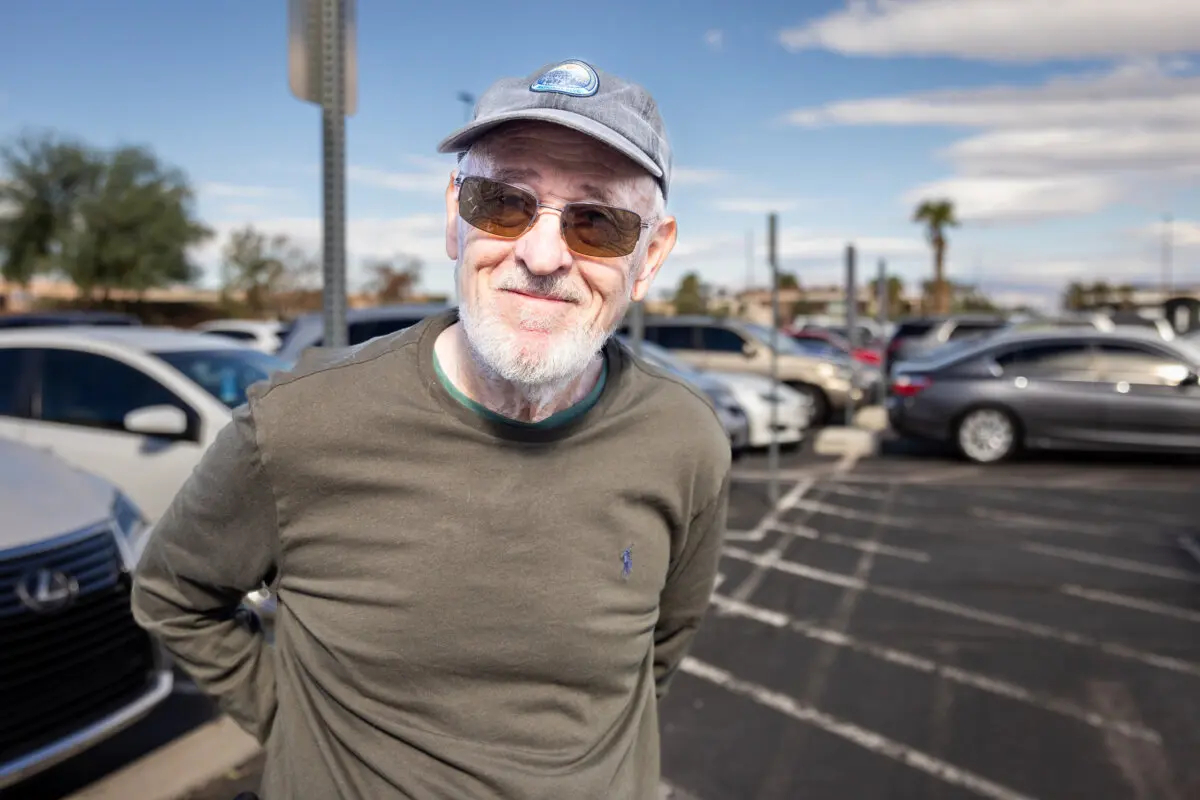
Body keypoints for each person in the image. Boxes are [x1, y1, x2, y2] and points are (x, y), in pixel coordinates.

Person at [132, 59, 731, 799]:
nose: (542, 256)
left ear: (652, 256)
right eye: (502, 201)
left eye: (597, 221)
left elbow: (658, 652)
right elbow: (171, 593)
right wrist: (299, 728)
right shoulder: (300, 424)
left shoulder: (686, 439)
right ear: (455, 214)